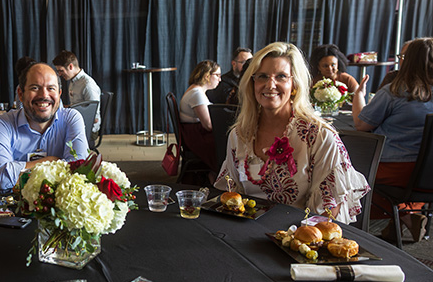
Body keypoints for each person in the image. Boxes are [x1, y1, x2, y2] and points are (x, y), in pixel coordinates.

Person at [214, 42, 369, 224]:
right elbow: (231, 194)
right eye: (262, 76)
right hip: (246, 232)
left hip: (296, 239)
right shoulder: (239, 135)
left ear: (294, 84)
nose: (270, 85)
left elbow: (325, 212)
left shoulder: (319, 137)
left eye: (281, 76)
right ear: (252, 83)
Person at [352, 37, 433, 242]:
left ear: (409, 61)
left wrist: (359, 96)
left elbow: (362, 125)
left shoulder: (395, 92)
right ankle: (406, 217)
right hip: (428, 176)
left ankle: (353, 231)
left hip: (397, 172)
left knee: (351, 173)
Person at [0, 62, 88, 190]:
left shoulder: (71, 118)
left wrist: (20, 170)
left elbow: (78, 170)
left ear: (59, 93)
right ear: (21, 94)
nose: (44, 95)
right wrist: (52, 160)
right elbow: (2, 179)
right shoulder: (0, 124)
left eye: (51, 88)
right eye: (35, 88)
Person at [179, 60, 221, 175]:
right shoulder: (197, 93)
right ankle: (216, 175)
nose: (219, 79)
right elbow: (208, 126)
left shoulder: (196, 90)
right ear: (207, 76)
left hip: (193, 132)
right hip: (195, 136)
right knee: (225, 143)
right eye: (217, 75)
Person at [52, 50, 102, 133]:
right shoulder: (73, 81)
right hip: (77, 121)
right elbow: (78, 106)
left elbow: (94, 118)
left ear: (71, 66)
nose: (59, 74)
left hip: (88, 129)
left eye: (61, 70)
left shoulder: (88, 85)